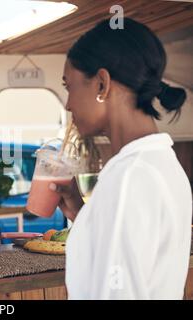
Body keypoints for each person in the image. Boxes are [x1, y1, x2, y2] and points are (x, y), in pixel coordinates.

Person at [52, 18, 192, 299]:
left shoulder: (130, 177)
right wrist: (83, 213)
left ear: (102, 84)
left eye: (69, 87)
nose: (68, 104)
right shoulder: (159, 163)